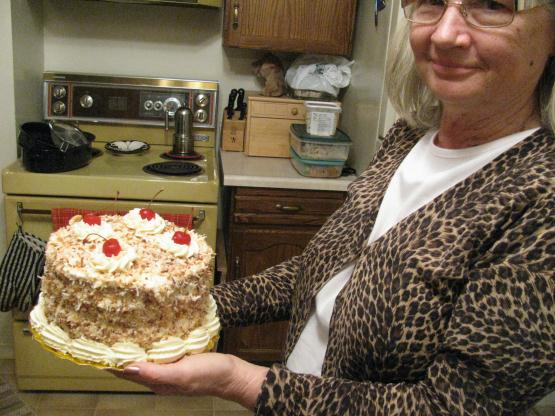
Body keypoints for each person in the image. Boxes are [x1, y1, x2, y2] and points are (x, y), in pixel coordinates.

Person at [116, 1, 555, 414]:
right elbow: (323, 274)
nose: (444, 34)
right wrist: (199, 305)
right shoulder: (409, 138)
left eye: (493, 5)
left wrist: (238, 381)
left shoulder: (541, 198)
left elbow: (451, 405)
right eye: (432, 1)